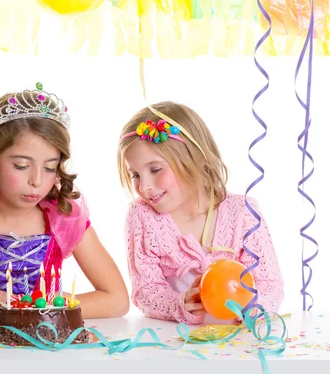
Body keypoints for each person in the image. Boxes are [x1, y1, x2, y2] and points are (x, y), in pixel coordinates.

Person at [0, 83, 129, 323]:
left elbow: (118, 300)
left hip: (45, 350)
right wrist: (7, 309)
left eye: (50, 167)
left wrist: (36, 305)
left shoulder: (63, 215)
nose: (37, 181)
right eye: (21, 166)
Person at [117, 102, 284, 324]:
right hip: (178, 341)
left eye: (156, 169)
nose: (145, 186)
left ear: (196, 159)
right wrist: (178, 305)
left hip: (239, 340)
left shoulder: (243, 213)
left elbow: (270, 283)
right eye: (135, 175)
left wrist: (255, 310)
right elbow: (146, 291)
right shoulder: (142, 216)